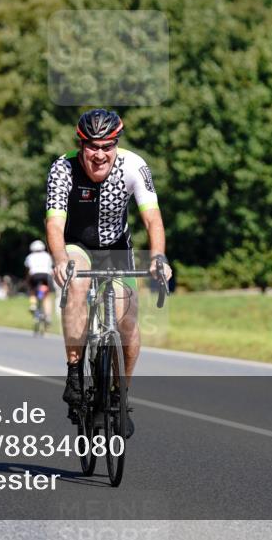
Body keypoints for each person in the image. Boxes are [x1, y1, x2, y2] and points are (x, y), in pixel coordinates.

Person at [46, 109, 172, 438]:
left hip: (116, 249)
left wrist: (158, 257)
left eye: (107, 146)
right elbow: (54, 223)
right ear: (81, 145)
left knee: (127, 321)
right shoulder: (63, 168)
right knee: (75, 281)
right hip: (77, 245)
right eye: (92, 147)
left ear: (116, 144)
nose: (100, 154)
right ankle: (75, 373)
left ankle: (119, 395)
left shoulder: (134, 166)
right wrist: (59, 257)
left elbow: (153, 219)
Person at [24, 240, 54, 325]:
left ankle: (33, 305)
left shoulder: (30, 256)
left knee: (32, 290)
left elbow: (28, 270)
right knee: (47, 296)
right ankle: (48, 316)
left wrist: (27, 281)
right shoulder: (47, 256)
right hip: (45, 276)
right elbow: (51, 268)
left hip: (34, 275)